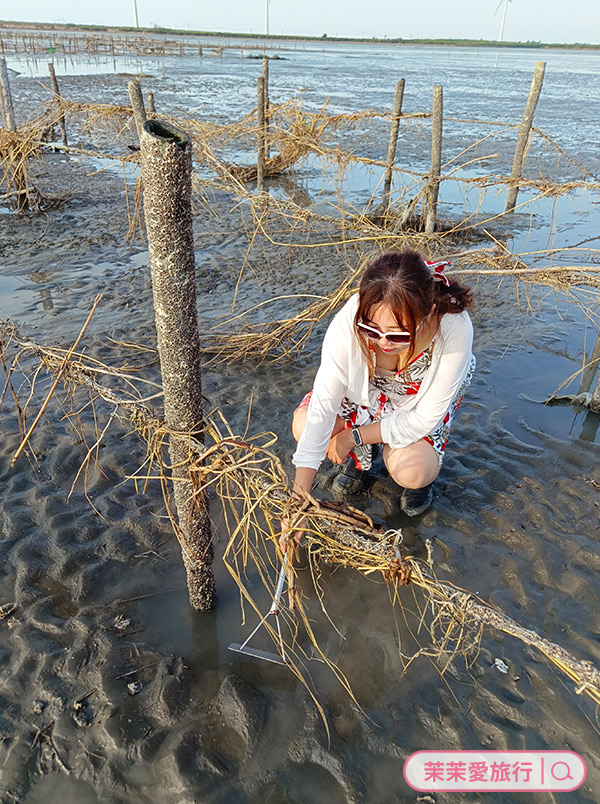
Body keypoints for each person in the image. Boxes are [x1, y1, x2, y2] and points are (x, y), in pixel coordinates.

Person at [285, 248, 475, 532]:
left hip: (414, 404)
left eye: (399, 334)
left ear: (429, 311)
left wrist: (353, 436)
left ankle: (402, 466)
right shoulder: (350, 322)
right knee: (304, 426)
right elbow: (324, 406)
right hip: (363, 395)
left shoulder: (454, 329)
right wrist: (298, 504)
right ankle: (363, 459)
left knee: (412, 471)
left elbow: (424, 418)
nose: (384, 342)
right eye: (371, 330)